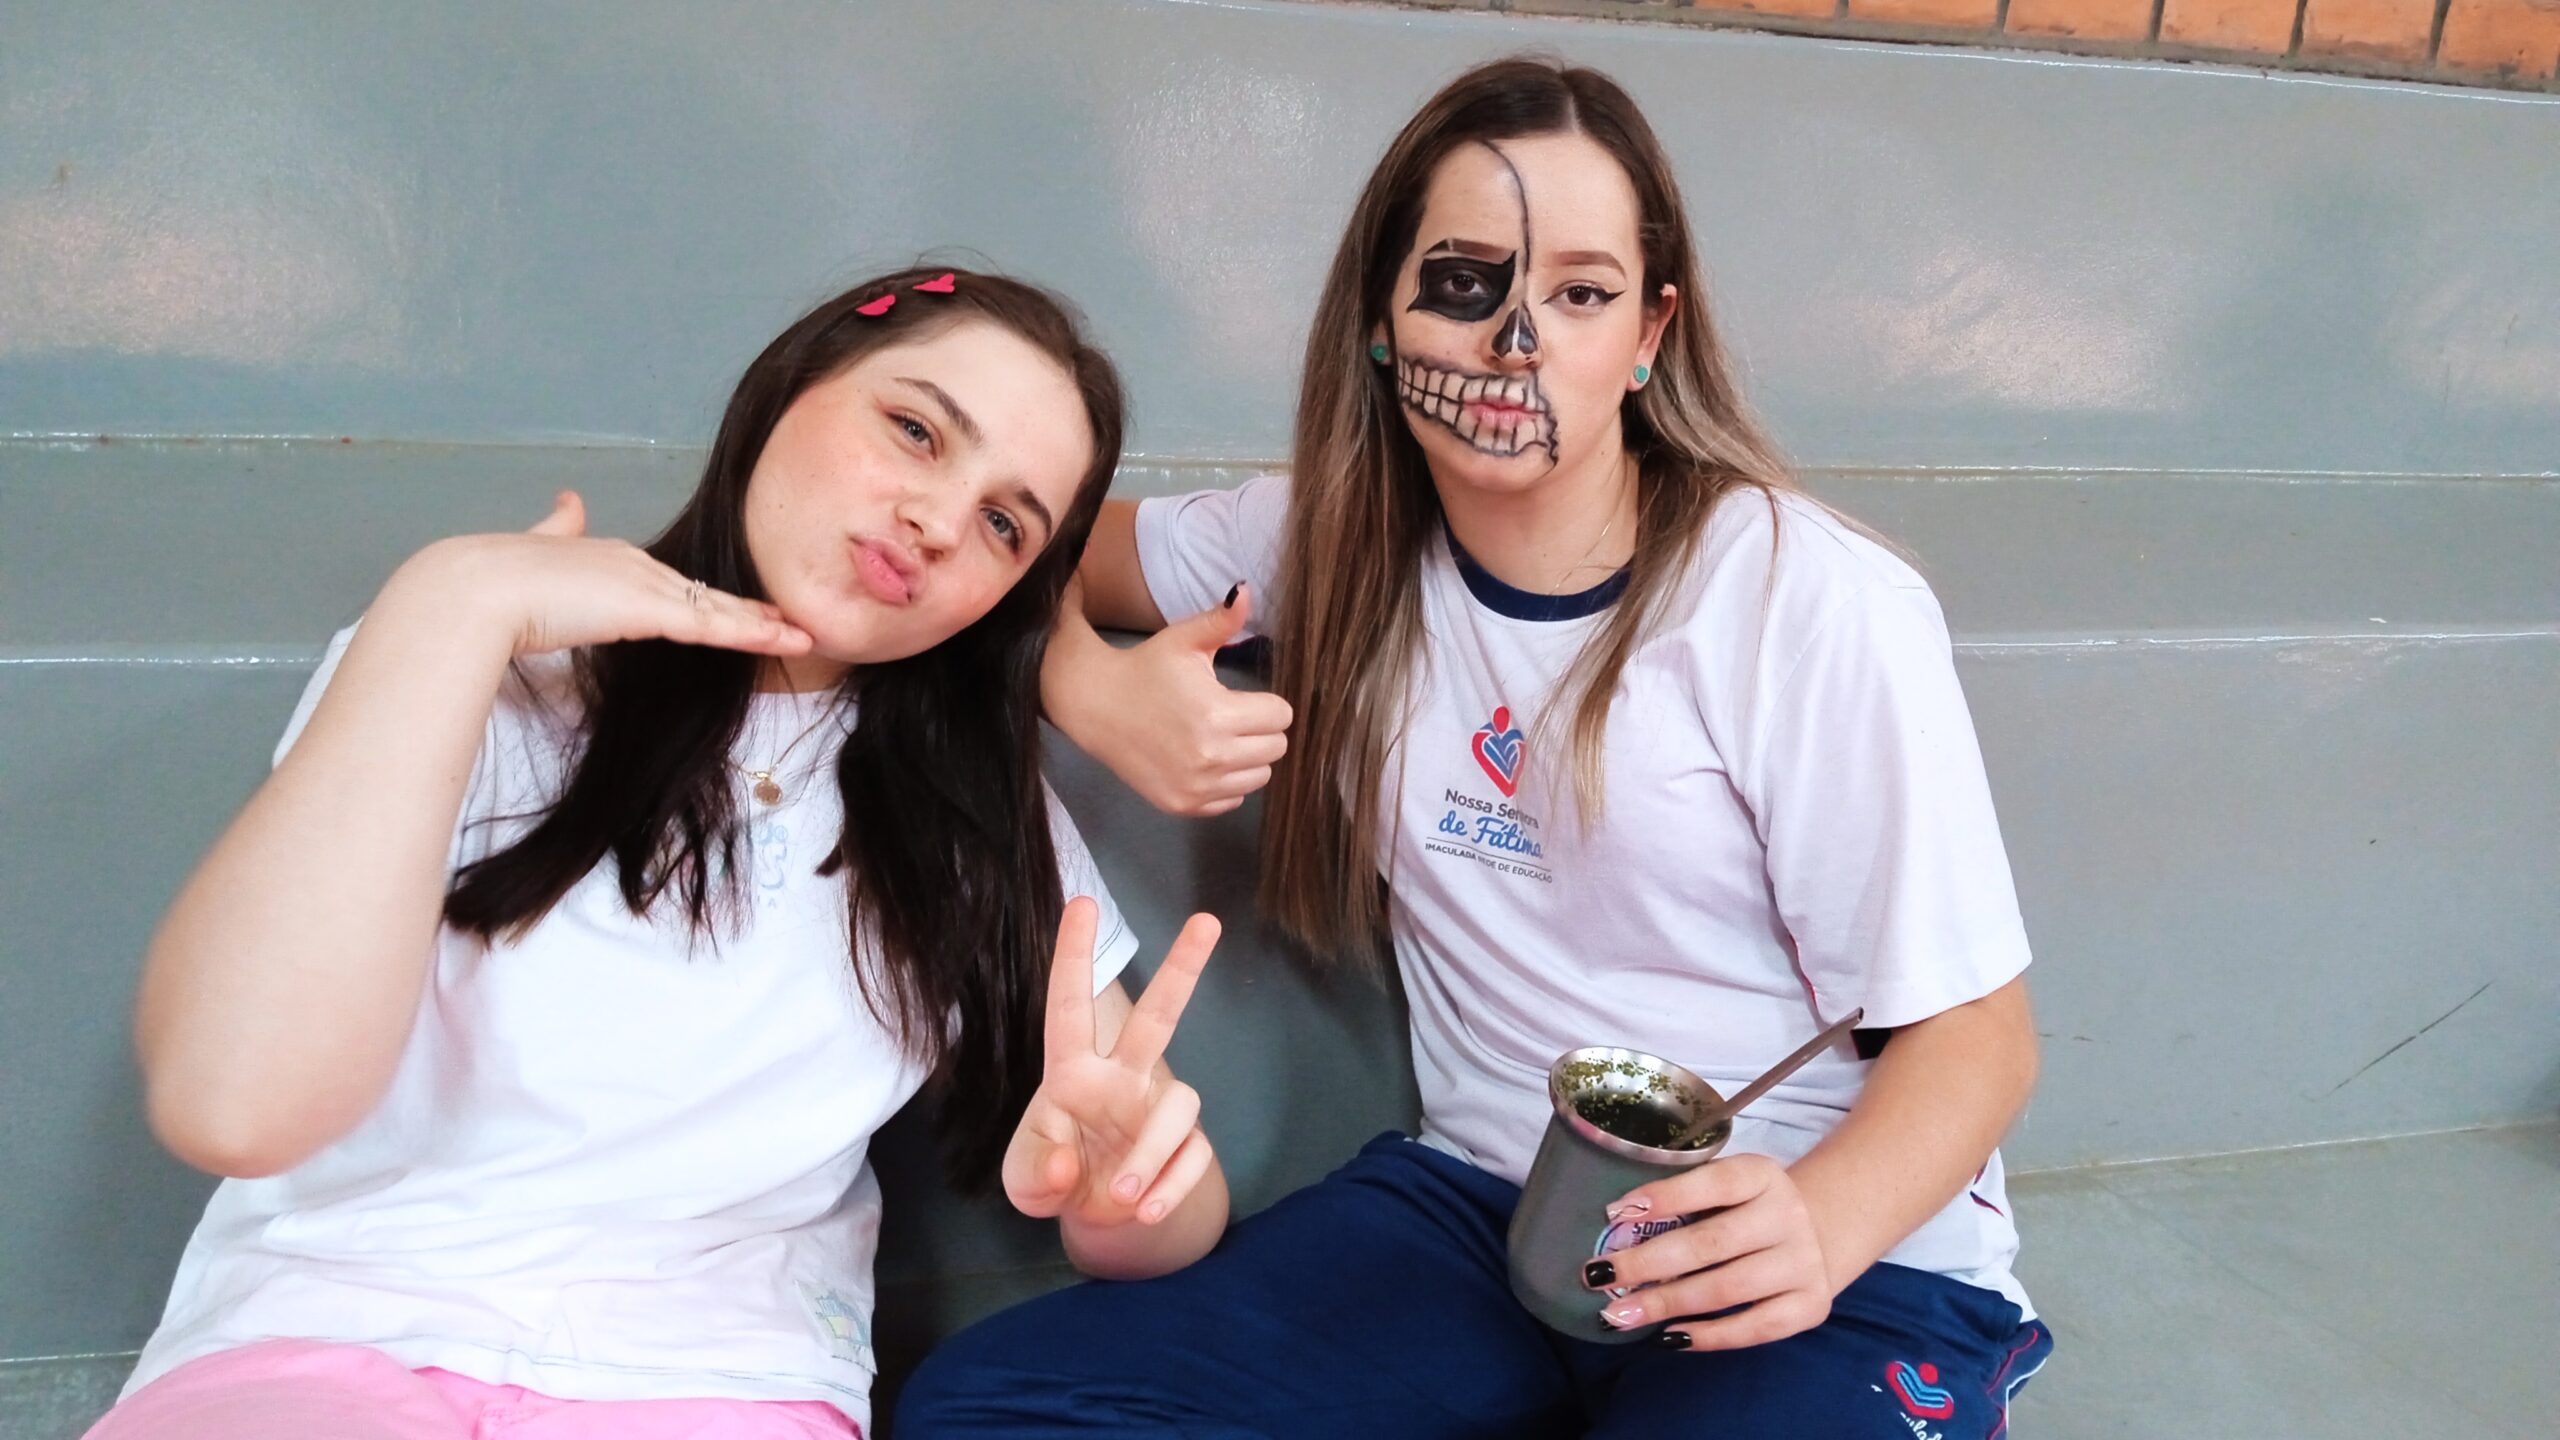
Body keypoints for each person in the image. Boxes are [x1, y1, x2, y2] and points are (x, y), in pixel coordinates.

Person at [900, 60, 2051, 1439]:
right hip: (1478, 1220)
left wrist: (1823, 1223)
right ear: (1381, 323)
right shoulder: (1323, 543)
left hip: (1817, 1268)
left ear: (1651, 333)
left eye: (1580, 294)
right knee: (987, 1409)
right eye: (1462, 282)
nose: (1517, 341)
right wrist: (1088, 688)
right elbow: (1036, 541)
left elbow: (1978, 1037)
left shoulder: (1804, 598)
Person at [88, 267, 1230, 1440]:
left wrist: (1125, 1188)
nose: (938, 522)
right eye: (915, 430)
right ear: (790, 387)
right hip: (322, 1333)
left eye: (1003, 525)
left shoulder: (977, 810)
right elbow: (232, 1105)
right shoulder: (466, 660)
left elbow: (1160, 1196)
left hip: (721, 1386)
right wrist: (452, 599)